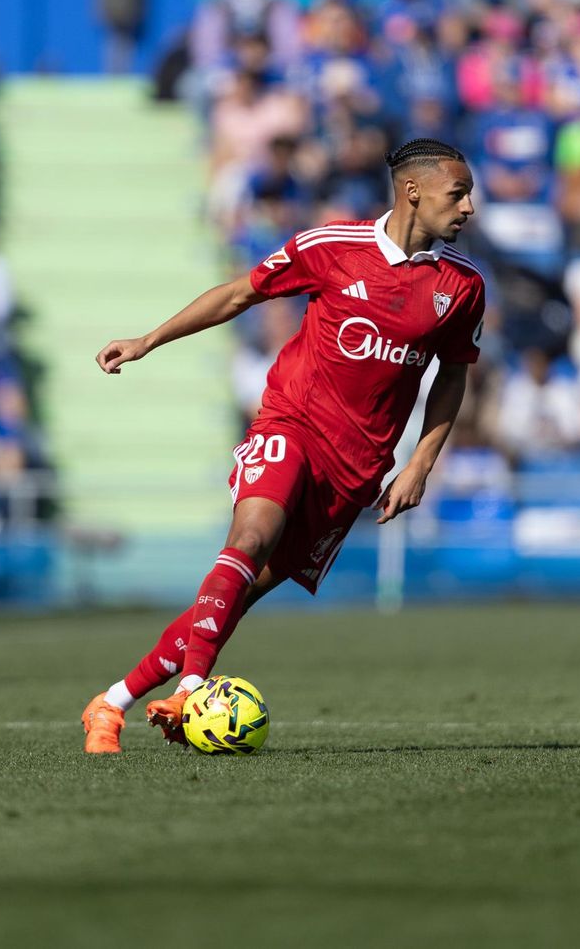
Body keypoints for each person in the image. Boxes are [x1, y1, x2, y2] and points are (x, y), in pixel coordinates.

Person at [80, 138, 485, 753]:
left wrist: (419, 464)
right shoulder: (332, 248)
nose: (469, 207)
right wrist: (149, 340)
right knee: (248, 538)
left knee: (235, 598)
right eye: (458, 193)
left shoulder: (462, 286)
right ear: (412, 191)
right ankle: (193, 691)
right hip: (290, 423)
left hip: (356, 471)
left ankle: (110, 704)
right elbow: (240, 293)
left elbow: (452, 376)